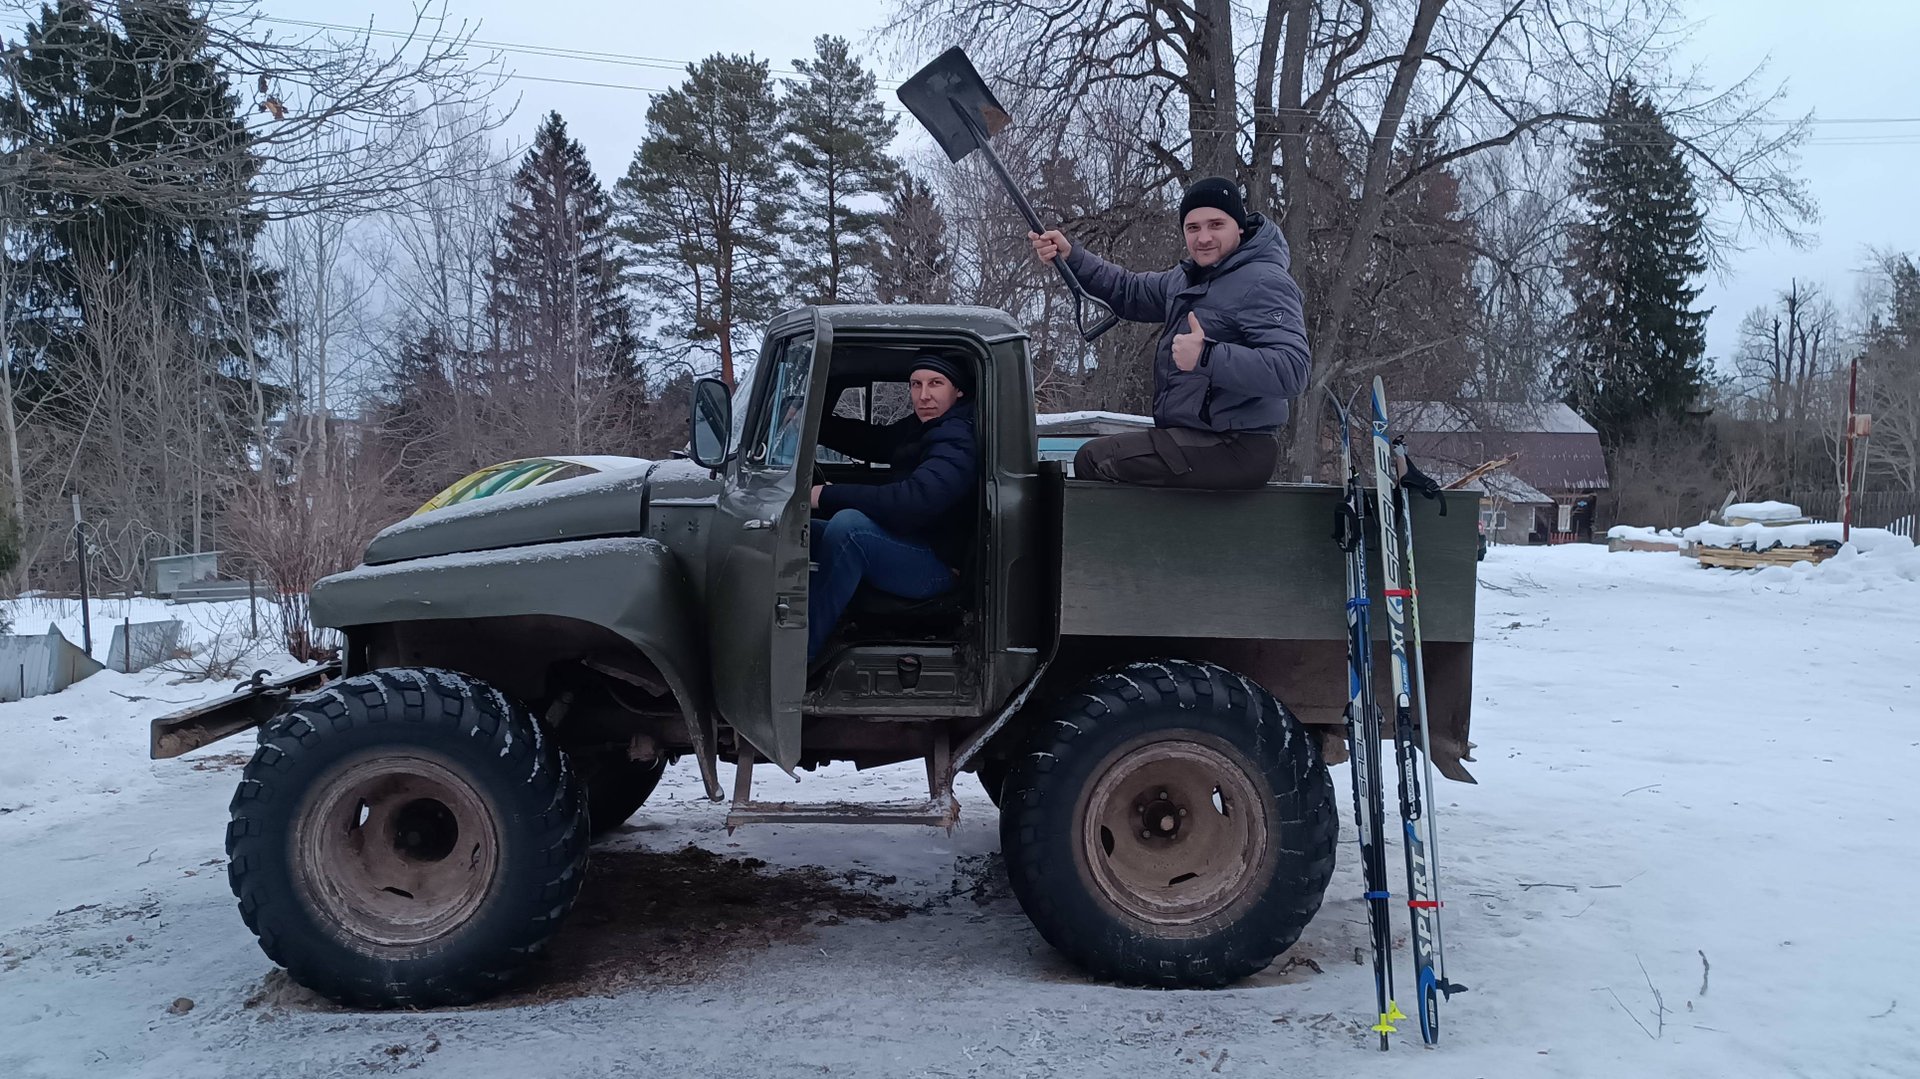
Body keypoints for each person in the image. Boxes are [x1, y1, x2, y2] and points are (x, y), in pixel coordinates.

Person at [1030, 176, 1311, 489]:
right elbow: (1129, 291)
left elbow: (1292, 369)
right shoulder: (1188, 279)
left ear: (1239, 227)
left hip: (1238, 445)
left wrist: (1208, 356)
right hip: (1194, 439)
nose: (1203, 237)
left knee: (1096, 459)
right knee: (1104, 457)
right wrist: (1073, 258)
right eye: (1193, 228)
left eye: (1216, 224)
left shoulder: (1264, 282)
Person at [806, 355, 977, 661]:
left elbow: (912, 502)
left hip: (938, 564)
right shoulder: (926, 426)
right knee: (803, 530)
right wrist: (812, 421)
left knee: (849, 530)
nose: (923, 395)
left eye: (936, 383)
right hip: (912, 541)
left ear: (958, 391)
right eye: (916, 384)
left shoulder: (958, 436)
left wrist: (824, 495)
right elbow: (873, 440)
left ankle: (796, 658)